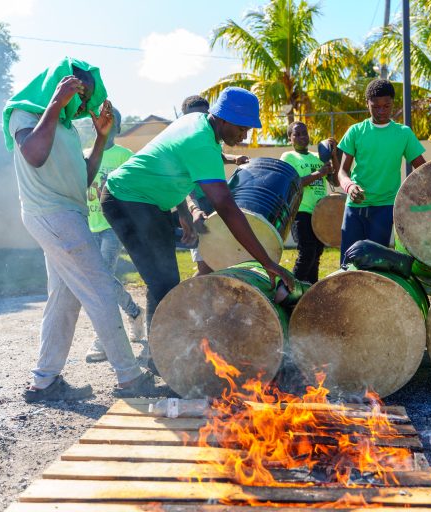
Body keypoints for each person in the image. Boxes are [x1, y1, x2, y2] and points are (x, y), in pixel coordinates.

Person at [2, 57, 164, 402]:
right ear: (60, 84)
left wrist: (102, 138)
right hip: (52, 214)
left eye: (86, 95)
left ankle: (43, 382)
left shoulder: (65, 128)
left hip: (68, 214)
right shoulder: (25, 114)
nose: (81, 102)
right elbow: (33, 154)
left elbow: (83, 180)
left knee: (65, 297)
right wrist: (55, 104)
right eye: (79, 92)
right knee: (101, 287)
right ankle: (129, 378)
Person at [101, 86, 295, 370]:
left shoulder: (201, 128)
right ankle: (160, 359)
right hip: (127, 200)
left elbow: (169, 167)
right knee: (164, 282)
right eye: (242, 128)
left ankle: (158, 357)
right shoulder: (201, 140)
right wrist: (267, 262)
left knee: (163, 280)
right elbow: (227, 207)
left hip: (147, 201)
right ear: (224, 119)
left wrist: (183, 210)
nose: (245, 135)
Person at [336, 79, 426, 259]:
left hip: (385, 207)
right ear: (367, 104)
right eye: (375, 106)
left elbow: (423, 170)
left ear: (393, 103)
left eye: (387, 106)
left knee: (375, 263)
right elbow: (342, 171)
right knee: (348, 263)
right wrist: (349, 187)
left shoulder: (403, 133)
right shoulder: (355, 131)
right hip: (355, 206)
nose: (381, 111)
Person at [84, 107, 146, 363]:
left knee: (101, 281)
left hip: (113, 227)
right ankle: (133, 312)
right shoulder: (85, 154)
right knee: (100, 280)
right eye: (101, 120)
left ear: (118, 127)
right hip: (88, 225)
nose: (106, 124)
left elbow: (133, 191)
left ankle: (104, 338)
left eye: (112, 121)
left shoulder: (125, 156)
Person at [180, 94, 249, 276]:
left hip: (212, 203)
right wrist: (193, 209)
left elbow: (215, 156)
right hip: (196, 207)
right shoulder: (187, 140)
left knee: (220, 261)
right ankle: (184, 298)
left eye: (204, 115)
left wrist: (234, 159)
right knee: (205, 266)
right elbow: (184, 188)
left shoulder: (210, 137)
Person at [280, 121, 339, 283]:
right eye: (296, 134)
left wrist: (334, 155)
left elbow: (335, 182)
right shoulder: (289, 156)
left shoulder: (319, 156)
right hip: (301, 211)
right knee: (307, 252)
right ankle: (289, 289)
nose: (302, 137)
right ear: (289, 138)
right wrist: (319, 174)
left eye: (304, 133)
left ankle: (310, 290)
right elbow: (294, 183)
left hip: (320, 213)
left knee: (317, 254)